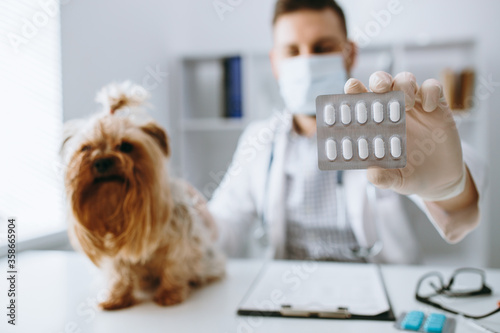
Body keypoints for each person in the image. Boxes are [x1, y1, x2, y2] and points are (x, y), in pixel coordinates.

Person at [207, 0, 485, 263]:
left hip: (384, 292)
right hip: (290, 300)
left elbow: (465, 195)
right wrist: (197, 221)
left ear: (349, 53)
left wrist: (451, 186)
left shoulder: (387, 122)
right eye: (291, 51)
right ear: (275, 62)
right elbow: (225, 227)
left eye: (322, 47)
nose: (306, 62)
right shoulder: (259, 140)